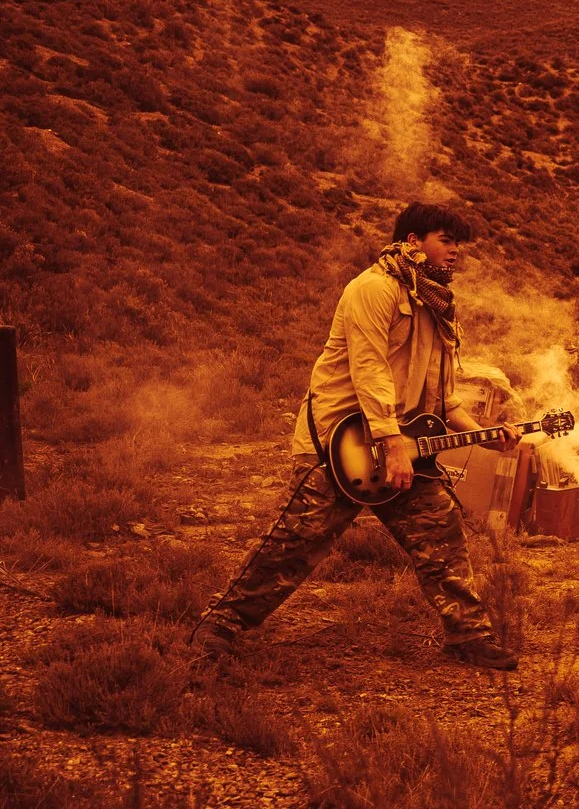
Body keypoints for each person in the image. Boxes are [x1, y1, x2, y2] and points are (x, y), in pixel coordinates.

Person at [197, 203, 520, 671]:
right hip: (339, 442)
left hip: (403, 445)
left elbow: (443, 401)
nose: (456, 252)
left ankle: (468, 635)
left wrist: (487, 437)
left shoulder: (436, 306)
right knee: (296, 541)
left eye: (458, 243)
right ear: (412, 241)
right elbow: (369, 371)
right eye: (445, 240)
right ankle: (222, 624)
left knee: (441, 533)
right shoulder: (372, 289)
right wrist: (391, 446)